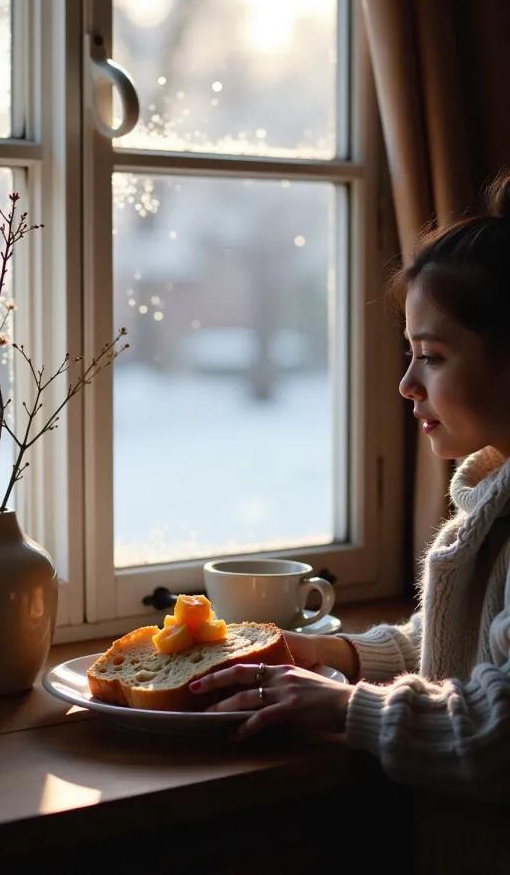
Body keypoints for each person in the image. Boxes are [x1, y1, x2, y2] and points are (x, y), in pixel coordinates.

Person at [190, 169, 510, 801]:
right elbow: (464, 644)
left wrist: (346, 708)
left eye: (434, 356)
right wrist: (333, 656)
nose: (407, 384)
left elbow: (496, 735)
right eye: (410, 353)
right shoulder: (491, 499)